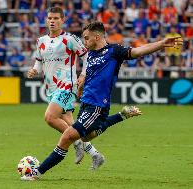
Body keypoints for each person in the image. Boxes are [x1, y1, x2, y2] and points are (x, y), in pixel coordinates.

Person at [22, 21, 183, 181]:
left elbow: (137, 51)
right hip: (86, 104)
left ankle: (37, 173)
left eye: (86, 38)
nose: (84, 42)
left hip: (97, 106)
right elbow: (90, 76)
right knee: (86, 137)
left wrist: (162, 44)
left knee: (67, 137)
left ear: (97, 37)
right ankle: (122, 115)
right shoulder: (91, 54)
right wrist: (80, 87)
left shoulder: (114, 51)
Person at [27, 7, 102, 170]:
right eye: (50, 18)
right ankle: (95, 154)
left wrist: (82, 75)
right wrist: (34, 70)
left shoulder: (70, 39)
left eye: (56, 18)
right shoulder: (41, 41)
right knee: (70, 122)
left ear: (63, 20)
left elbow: (86, 56)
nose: (52, 21)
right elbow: (39, 62)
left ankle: (75, 143)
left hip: (67, 84)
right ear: (46, 20)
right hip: (51, 88)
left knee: (50, 117)